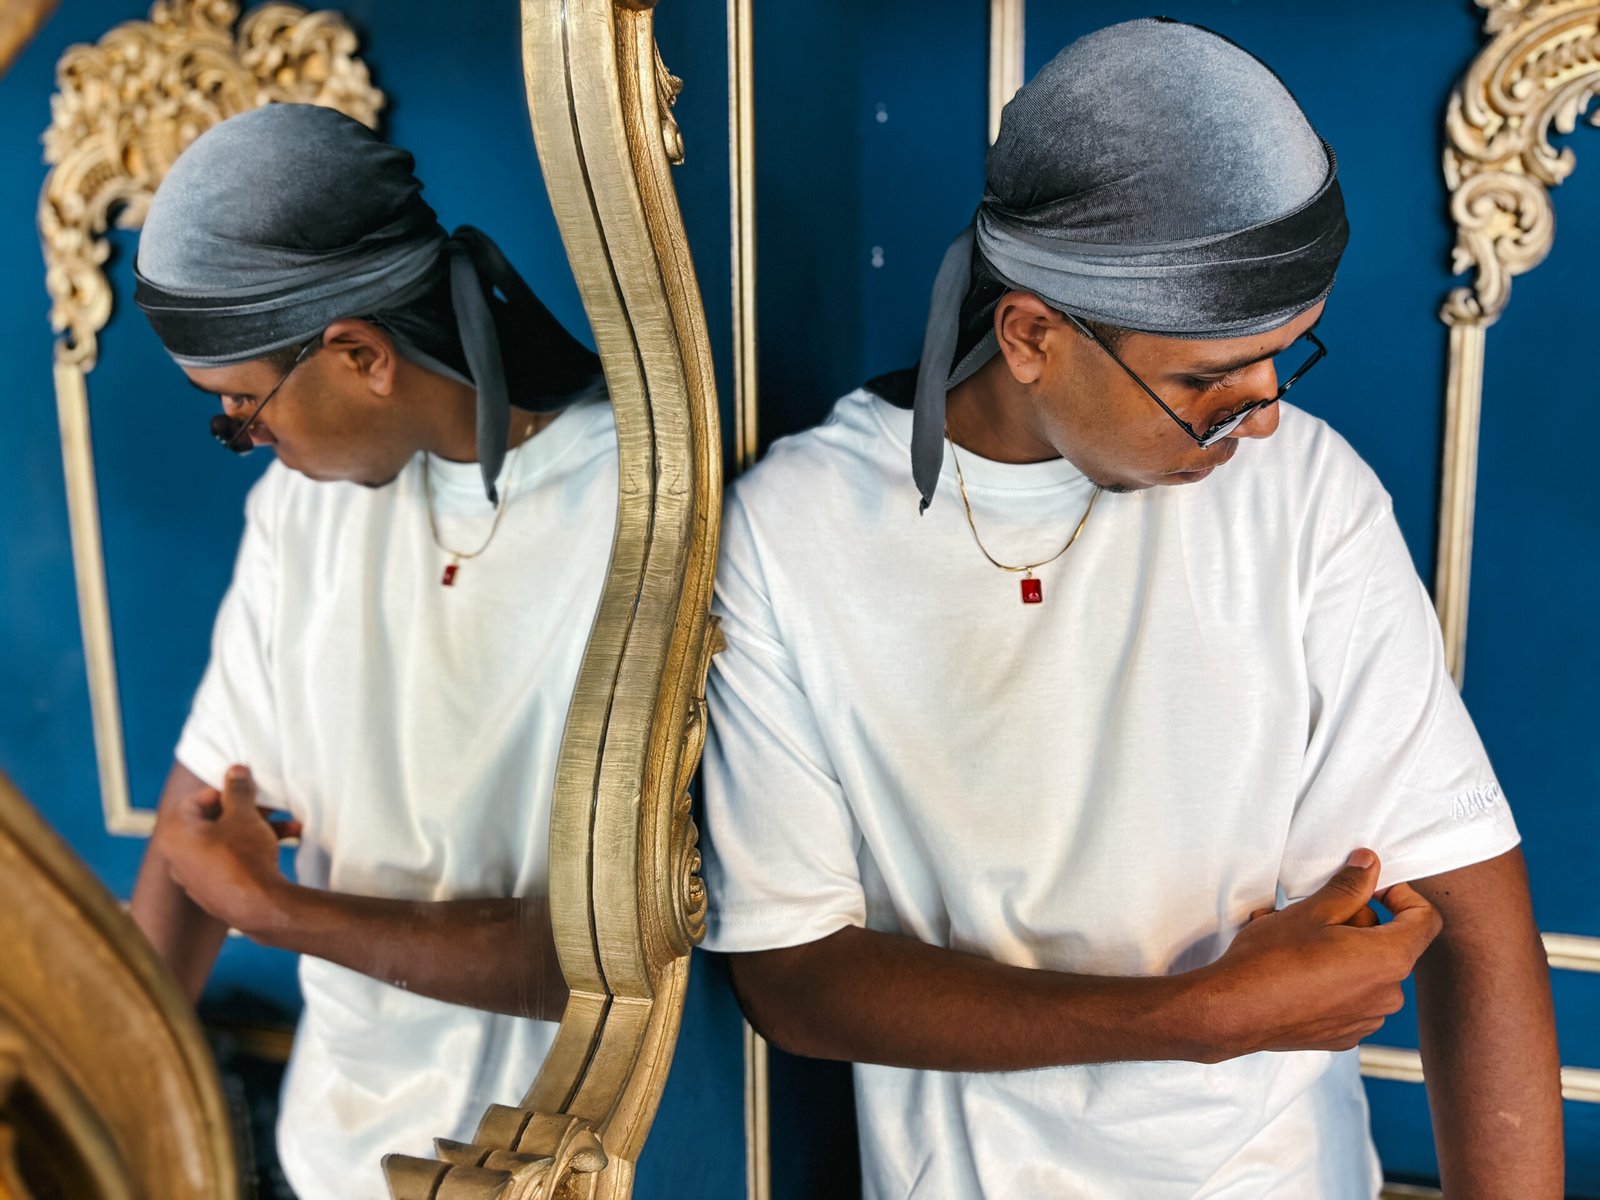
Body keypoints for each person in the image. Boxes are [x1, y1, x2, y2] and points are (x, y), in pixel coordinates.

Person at [699, 19, 1562, 1199]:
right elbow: (790, 975)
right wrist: (1189, 1018)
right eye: (1208, 380)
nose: (1262, 413)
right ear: (1032, 337)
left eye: (1282, 358)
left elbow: (1471, 904)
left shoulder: (1303, 490)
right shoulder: (794, 530)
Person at [126, 104, 615, 1199]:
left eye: (242, 408)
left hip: (528, 1171)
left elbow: (605, 961)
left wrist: (279, 912)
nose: (248, 440)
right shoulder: (299, 510)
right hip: (322, 1155)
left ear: (360, 356)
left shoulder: (629, 508)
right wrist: (117, 1120)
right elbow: (196, 821)